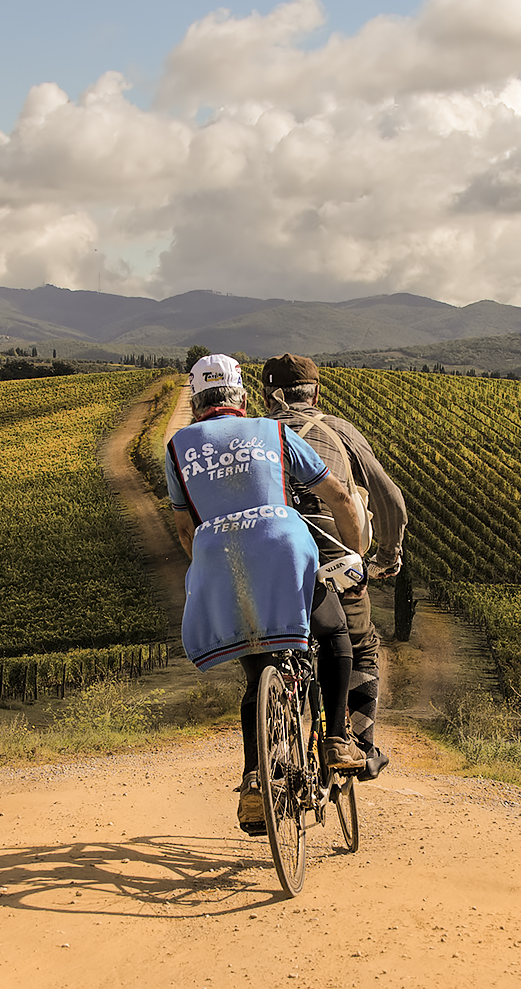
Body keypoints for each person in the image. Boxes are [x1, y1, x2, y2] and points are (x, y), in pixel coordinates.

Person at [163, 354, 370, 835]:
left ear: (197, 404)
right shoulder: (272, 433)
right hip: (283, 550)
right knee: (335, 633)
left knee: (258, 673)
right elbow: (339, 496)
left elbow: (183, 528)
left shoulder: (178, 448)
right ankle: (337, 740)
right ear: (242, 397)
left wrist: (210, 569)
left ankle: (256, 778)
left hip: (221, 560)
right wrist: (355, 553)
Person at [261, 354, 409, 780]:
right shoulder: (337, 430)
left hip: (270, 554)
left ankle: (272, 751)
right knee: (361, 643)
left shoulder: (255, 434)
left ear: (269, 397)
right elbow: (391, 501)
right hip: (332, 555)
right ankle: (356, 746)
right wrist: (386, 557)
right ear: (317, 392)